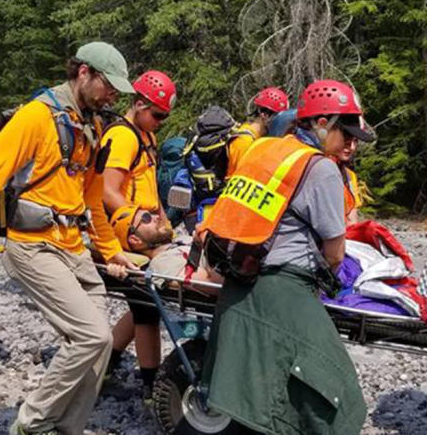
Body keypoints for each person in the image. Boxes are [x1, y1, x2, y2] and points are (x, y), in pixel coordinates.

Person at [0, 42, 136, 435]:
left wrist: (113, 251)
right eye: (108, 84)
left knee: (98, 348)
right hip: (33, 246)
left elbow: (93, 201)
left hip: (74, 248)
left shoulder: (94, 124)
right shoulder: (36, 117)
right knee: (92, 336)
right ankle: (31, 426)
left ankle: (65, 428)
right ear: (83, 73)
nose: (114, 95)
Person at [199, 79, 371, 434]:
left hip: (239, 281)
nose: (352, 143)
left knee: (253, 391)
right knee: (335, 391)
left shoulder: (263, 149)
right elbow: (335, 252)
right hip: (282, 288)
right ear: (321, 124)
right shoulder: (320, 167)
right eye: (347, 134)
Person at [101, 70, 176, 400]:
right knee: (147, 305)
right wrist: (141, 227)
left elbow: (149, 187)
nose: (160, 121)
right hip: (125, 233)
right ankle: (150, 387)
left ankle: (105, 365)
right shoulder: (123, 137)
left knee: (143, 302)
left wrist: (163, 222)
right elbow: (107, 191)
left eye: (164, 116)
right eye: (157, 114)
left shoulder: (147, 137)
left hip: (142, 225)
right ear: (140, 104)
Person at [226, 86, 289, 175]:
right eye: (277, 118)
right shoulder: (243, 142)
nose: (280, 122)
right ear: (264, 115)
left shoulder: (259, 138)